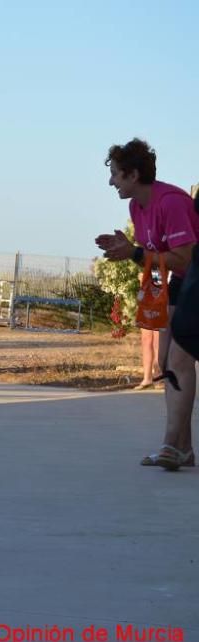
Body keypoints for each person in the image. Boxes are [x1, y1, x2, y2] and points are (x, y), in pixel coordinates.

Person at [96, 138, 199, 470]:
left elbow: (184, 256)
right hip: (184, 281)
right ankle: (181, 447)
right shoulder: (135, 208)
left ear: (134, 174)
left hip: (193, 275)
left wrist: (136, 254)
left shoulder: (172, 203)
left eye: (116, 174)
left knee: (179, 359)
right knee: (167, 362)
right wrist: (153, 302)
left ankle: (172, 445)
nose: (111, 181)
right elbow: (156, 258)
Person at [135, 270, 161, 390]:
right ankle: (147, 378)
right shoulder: (147, 256)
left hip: (162, 297)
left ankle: (159, 377)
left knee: (158, 341)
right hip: (147, 299)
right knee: (146, 340)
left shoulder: (165, 256)